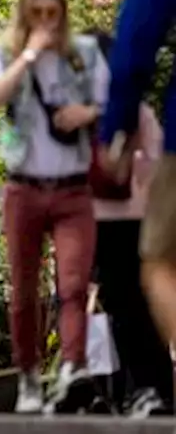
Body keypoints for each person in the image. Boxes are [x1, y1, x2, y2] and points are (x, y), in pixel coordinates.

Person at [0, 0, 106, 414]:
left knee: (73, 284)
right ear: (25, 15)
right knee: (24, 288)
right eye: (38, 15)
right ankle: (29, 376)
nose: (47, 23)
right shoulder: (4, 53)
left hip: (72, 190)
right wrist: (28, 57)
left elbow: (111, 105)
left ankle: (72, 367)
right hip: (24, 189)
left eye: (54, 15)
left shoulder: (83, 56)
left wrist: (86, 111)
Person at [91, 30, 173, 416]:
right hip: (118, 218)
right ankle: (149, 388)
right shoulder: (117, 108)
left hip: (124, 218)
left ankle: (153, 388)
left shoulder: (124, 109)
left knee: (130, 306)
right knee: (129, 307)